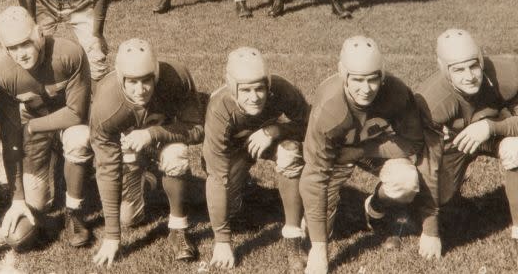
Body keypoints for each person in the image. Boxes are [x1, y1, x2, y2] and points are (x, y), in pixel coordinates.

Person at [301, 36, 423, 274]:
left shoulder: (397, 92)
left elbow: (413, 143)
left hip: (374, 148)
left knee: (406, 181)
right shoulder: (329, 107)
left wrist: (360, 150)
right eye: (357, 79)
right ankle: (313, 228)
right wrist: (318, 248)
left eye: (372, 79)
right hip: (335, 154)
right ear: (343, 76)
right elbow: (314, 176)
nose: (366, 89)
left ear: (382, 76)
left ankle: (374, 208)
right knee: (321, 230)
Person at [89, 38, 206, 266]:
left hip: (163, 139)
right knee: (129, 219)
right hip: (128, 151)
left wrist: (152, 134)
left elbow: (196, 129)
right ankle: (148, 177)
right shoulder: (106, 104)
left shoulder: (176, 77)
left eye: (146, 80)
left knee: (177, 154)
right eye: (132, 82)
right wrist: (112, 235)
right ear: (121, 77)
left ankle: (177, 228)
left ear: (157, 75)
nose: (140, 90)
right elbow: (106, 167)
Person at [0, 6, 93, 247]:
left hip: (69, 120)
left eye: (25, 43)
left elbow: (77, 113)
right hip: (36, 126)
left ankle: (74, 211)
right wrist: (17, 199)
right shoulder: (2, 74)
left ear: (39, 34)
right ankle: (56, 162)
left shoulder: (69, 53)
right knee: (37, 204)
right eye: (12, 48)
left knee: (79, 138)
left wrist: (33, 127)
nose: (21, 53)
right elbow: (9, 137)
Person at [413, 29, 518, 260]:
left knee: (516, 148)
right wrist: (430, 231)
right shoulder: (431, 102)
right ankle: (386, 211)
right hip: (453, 144)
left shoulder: (508, 72)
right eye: (458, 69)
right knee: (438, 199)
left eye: (474, 66)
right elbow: (427, 164)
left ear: (482, 60)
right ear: (444, 71)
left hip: (493, 130)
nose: (469, 76)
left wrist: (491, 127)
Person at [204, 47, 311, 271]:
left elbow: (310, 125)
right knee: (231, 207)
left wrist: (274, 130)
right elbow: (216, 175)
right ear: (233, 90)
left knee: (290, 152)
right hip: (232, 151)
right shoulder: (219, 108)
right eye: (246, 90)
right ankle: (245, 186)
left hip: (267, 140)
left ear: (268, 85)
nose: (254, 97)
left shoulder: (281, 90)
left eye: (260, 88)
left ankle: (293, 236)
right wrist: (222, 241)